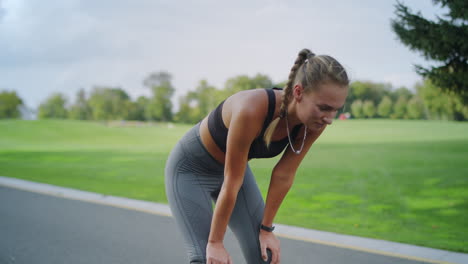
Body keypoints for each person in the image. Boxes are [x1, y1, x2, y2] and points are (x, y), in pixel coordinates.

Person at [165, 48, 349, 264]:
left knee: (265, 256)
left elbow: (284, 174)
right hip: (190, 170)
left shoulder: (314, 123)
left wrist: (266, 229)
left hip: (234, 172)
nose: (329, 118)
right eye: (324, 108)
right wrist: (215, 242)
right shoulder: (251, 109)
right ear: (298, 92)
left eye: (335, 109)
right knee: (205, 259)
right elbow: (231, 182)